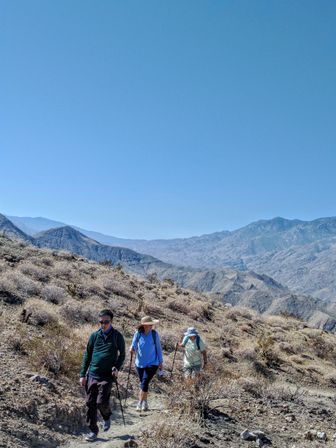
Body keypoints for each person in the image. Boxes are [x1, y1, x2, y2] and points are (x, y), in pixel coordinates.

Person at [80, 309, 125, 442]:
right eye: (101, 322)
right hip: (92, 374)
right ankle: (93, 431)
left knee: (101, 402)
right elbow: (87, 355)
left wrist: (116, 367)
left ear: (111, 321)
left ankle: (106, 416)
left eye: (106, 322)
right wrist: (82, 374)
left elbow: (122, 355)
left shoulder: (117, 336)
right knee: (90, 403)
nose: (103, 324)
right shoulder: (94, 336)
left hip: (106, 376)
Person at [130, 315, 163, 411]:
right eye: (150, 324)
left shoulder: (154, 334)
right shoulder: (138, 333)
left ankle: (139, 403)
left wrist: (160, 362)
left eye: (152, 324)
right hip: (139, 363)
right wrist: (132, 348)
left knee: (144, 382)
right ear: (145, 325)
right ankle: (145, 402)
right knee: (144, 383)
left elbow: (158, 348)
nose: (152, 325)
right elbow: (134, 344)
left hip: (153, 363)